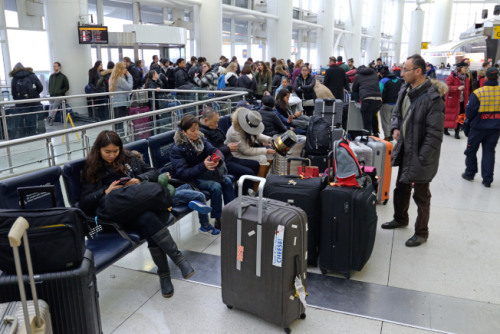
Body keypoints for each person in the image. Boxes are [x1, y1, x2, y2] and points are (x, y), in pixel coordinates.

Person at [80, 130, 194, 298]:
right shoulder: (92, 169)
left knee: (147, 218)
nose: (112, 155)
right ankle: (178, 260)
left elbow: (154, 173)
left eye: (115, 151)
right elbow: (84, 203)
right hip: (118, 215)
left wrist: (139, 180)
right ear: (98, 150)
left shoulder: (130, 158)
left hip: (140, 209)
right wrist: (106, 191)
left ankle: (165, 274)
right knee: (145, 210)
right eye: (107, 152)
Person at [382, 54, 445, 247]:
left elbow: (434, 135)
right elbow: (397, 114)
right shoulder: (405, 89)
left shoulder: (432, 99)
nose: (401, 73)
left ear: (418, 71)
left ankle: (422, 232)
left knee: (421, 195)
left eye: (405, 70)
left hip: (421, 155)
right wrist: (394, 128)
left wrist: (421, 157)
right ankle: (400, 218)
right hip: (406, 149)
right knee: (401, 187)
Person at [170, 114, 236, 230]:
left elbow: (215, 151)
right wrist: (203, 165)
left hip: (204, 172)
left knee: (227, 181)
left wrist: (217, 159)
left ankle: (231, 213)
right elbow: (183, 173)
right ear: (184, 132)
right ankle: (218, 218)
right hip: (192, 179)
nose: (196, 132)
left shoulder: (201, 139)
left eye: (197, 129)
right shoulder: (178, 149)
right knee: (216, 186)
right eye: (192, 130)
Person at [199, 107, 259, 195]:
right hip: (221, 162)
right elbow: (211, 152)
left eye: (218, 122)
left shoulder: (212, 129)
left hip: (228, 157)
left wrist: (228, 147)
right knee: (249, 172)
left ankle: (243, 190)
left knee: (255, 164)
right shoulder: (202, 134)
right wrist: (228, 148)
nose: (217, 125)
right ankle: (240, 196)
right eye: (215, 122)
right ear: (206, 121)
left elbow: (219, 145)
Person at [461, 67, 500, 188]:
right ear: (497, 77)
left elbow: (470, 112)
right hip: (495, 128)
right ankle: (487, 179)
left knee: (471, 150)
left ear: (486, 77)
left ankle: (470, 173)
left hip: (477, 128)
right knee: (489, 152)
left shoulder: (478, 93)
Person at [224, 107, 275, 182]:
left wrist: (269, 139)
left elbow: (257, 135)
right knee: (262, 158)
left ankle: (263, 180)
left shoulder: (246, 124)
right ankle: (256, 187)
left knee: (269, 155)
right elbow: (246, 151)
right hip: (236, 154)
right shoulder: (235, 133)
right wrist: (266, 150)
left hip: (244, 149)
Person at [9, 62, 44, 137]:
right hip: (34, 102)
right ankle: (32, 134)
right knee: (32, 118)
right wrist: (34, 94)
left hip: (21, 103)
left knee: (22, 119)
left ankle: (24, 135)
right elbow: (40, 87)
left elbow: (13, 92)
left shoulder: (14, 78)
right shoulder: (32, 75)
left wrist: (18, 99)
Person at [351, 65, 382, 136]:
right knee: (374, 116)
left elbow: (354, 89)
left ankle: (367, 138)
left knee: (366, 121)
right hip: (378, 99)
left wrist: (356, 101)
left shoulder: (358, 76)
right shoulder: (374, 74)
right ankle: (376, 134)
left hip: (367, 99)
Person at [444, 62, 470, 139]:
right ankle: (445, 128)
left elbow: (468, 89)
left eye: (467, 68)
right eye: (464, 68)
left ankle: (457, 131)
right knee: (450, 116)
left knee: (461, 115)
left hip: (462, 100)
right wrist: (457, 88)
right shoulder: (451, 77)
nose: (466, 70)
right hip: (453, 100)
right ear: (459, 68)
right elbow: (447, 87)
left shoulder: (466, 78)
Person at [108, 62, 133, 137]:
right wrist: (129, 76)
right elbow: (129, 87)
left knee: (118, 123)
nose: (126, 70)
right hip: (121, 103)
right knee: (120, 123)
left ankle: (119, 137)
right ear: (120, 69)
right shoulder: (119, 79)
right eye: (124, 68)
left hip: (116, 103)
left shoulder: (113, 78)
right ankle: (121, 138)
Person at [379, 69, 402, 141]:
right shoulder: (399, 80)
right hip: (397, 104)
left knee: (386, 121)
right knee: (395, 120)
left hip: (386, 104)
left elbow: (380, 91)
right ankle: (394, 134)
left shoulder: (383, 81)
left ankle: (387, 136)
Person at [47, 62, 70, 126]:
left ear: (59, 67)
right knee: (51, 106)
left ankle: (50, 118)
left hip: (59, 96)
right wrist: (50, 91)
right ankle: (50, 118)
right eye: (53, 66)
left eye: (56, 66)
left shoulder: (63, 77)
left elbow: (67, 87)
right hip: (52, 95)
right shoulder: (51, 76)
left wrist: (61, 92)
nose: (54, 67)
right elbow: (49, 85)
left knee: (54, 106)